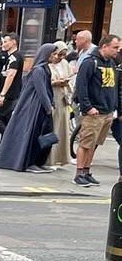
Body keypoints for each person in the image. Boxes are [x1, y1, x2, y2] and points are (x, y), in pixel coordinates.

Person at [0, 43, 60, 173]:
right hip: (34, 108)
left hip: (39, 107)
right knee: (34, 134)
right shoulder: (39, 70)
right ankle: (30, 163)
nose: (55, 56)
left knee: (40, 134)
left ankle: (36, 161)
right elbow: (41, 90)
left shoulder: (43, 69)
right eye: (53, 54)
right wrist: (48, 106)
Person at [74, 34, 121, 187]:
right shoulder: (90, 62)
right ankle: (79, 172)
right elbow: (81, 87)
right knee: (86, 143)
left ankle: (86, 171)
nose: (117, 51)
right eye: (115, 47)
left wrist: (114, 108)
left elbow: (114, 87)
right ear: (104, 46)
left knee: (94, 143)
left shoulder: (111, 64)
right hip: (94, 111)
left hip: (107, 112)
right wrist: (88, 107)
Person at [48, 43, 74, 169]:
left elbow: (70, 78)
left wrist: (66, 82)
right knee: (53, 128)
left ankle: (61, 158)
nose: (61, 57)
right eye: (59, 54)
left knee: (63, 129)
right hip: (53, 97)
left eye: (64, 55)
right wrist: (56, 82)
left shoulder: (64, 64)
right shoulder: (47, 64)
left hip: (63, 99)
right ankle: (50, 159)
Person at [0, 34, 21, 131]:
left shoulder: (14, 57)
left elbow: (11, 75)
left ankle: (8, 138)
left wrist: (2, 94)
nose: (3, 45)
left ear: (13, 42)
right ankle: (3, 144)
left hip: (9, 95)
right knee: (6, 120)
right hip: (10, 95)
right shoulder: (10, 57)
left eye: (6, 42)